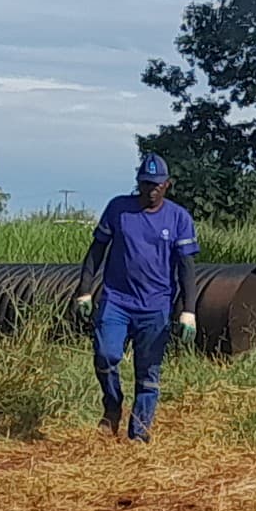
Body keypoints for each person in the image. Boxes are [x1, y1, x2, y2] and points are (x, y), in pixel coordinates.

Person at [75, 152, 198, 441]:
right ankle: (112, 404)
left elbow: (186, 267)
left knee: (148, 372)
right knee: (106, 355)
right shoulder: (119, 209)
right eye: (145, 184)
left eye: (156, 184)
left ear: (167, 185)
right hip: (117, 300)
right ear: (138, 183)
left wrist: (188, 310)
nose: (150, 190)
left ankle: (139, 434)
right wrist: (84, 290)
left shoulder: (179, 218)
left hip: (155, 305)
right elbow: (96, 252)